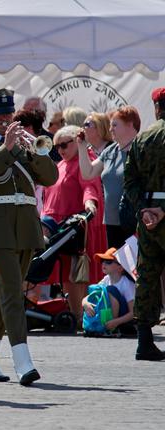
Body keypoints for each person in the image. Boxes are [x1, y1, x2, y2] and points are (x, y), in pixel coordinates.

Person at [44, 125, 105, 323]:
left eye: (63, 145)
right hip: (59, 228)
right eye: (56, 146)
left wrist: (90, 202)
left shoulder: (83, 160)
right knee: (67, 273)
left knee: (77, 273)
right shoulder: (61, 164)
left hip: (77, 227)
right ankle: (75, 312)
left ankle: (82, 316)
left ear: (75, 142)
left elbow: (90, 185)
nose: (60, 150)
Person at [121, 87, 165, 361]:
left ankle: (144, 339)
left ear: (157, 108)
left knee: (147, 275)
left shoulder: (143, 139)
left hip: (148, 215)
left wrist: (145, 211)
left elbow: (130, 181)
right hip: (160, 210)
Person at [77, 106, 141, 248]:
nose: (110, 129)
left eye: (115, 125)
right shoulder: (111, 150)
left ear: (130, 124)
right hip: (111, 221)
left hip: (135, 221)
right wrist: (81, 147)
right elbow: (88, 173)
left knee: (133, 267)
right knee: (114, 267)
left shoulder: (141, 149)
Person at [83, 248, 135, 334]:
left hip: (122, 319)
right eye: (103, 261)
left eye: (108, 262)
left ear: (120, 267)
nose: (103, 263)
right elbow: (92, 295)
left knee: (110, 290)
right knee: (96, 290)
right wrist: (85, 303)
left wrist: (116, 322)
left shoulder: (127, 284)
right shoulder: (106, 279)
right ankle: (97, 324)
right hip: (110, 316)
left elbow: (133, 313)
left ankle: (110, 327)